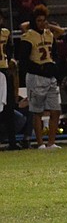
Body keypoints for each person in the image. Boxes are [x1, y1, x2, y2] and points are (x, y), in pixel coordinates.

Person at [18, 4, 62, 149]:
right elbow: (24, 60)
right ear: (34, 21)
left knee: (55, 110)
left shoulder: (49, 35)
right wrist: (39, 68)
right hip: (36, 77)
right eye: (39, 20)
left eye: (44, 20)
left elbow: (54, 53)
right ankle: (40, 143)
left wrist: (54, 66)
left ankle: (51, 142)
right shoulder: (28, 36)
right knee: (37, 111)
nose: (42, 23)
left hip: (50, 76)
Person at [0, 10, 20, 150]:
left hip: (4, 71)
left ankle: (12, 141)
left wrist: (11, 59)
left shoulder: (6, 33)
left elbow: (9, 50)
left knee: (9, 108)